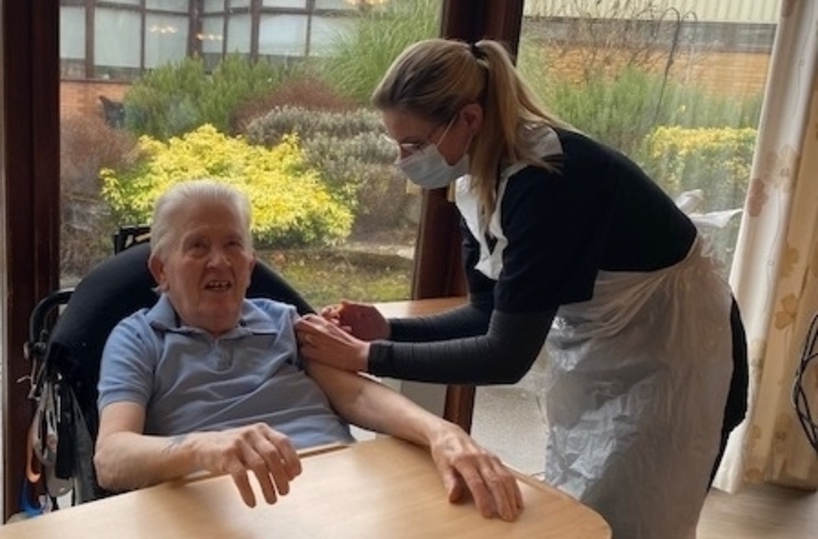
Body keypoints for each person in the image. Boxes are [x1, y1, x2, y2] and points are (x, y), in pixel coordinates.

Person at [294, 38, 749, 539]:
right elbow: (486, 314)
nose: (403, 161)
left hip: (680, 354)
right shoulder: (477, 181)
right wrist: (389, 329)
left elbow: (506, 356)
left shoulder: (547, 179)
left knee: (636, 519)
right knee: (582, 505)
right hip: (615, 349)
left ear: (468, 118)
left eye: (414, 145)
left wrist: (368, 356)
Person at [93, 179, 523, 521]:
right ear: (161, 269)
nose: (219, 261)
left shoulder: (284, 321)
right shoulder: (137, 339)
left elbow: (355, 394)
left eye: (233, 245)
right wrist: (204, 447)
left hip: (338, 495)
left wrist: (442, 432)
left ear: (249, 265)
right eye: (198, 246)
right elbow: (110, 459)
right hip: (224, 511)